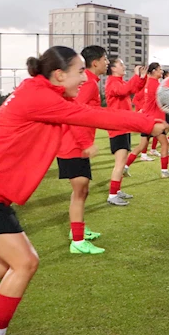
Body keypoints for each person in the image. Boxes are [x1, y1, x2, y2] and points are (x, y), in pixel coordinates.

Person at [0, 46, 164, 335]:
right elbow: (92, 115)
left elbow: (82, 113)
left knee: (8, 260)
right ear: (59, 74)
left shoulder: (41, 90)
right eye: (80, 70)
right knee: (25, 262)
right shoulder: (40, 97)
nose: (85, 76)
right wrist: (148, 123)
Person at [55, 45, 109, 254]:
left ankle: (77, 230)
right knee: (80, 191)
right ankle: (77, 242)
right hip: (73, 145)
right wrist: (85, 144)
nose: (107, 63)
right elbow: (73, 114)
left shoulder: (89, 81)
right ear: (95, 62)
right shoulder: (87, 83)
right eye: (105, 59)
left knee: (82, 191)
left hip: (74, 144)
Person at [105, 59, 147, 207]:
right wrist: (136, 76)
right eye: (121, 64)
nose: (124, 66)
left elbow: (133, 88)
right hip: (117, 127)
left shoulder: (120, 81)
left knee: (122, 163)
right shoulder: (112, 82)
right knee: (120, 162)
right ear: (113, 69)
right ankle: (112, 195)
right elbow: (125, 90)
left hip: (124, 125)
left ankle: (117, 191)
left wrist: (141, 78)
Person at [125, 63, 169, 178]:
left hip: (147, 118)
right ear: (153, 71)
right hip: (155, 121)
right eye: (159, 70)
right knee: (165, 144)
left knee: (141, 145)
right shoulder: (156, 85)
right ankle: (164, 171)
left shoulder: (148, 84)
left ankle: (125, 166)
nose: (161, 72)